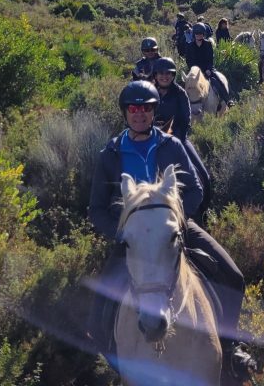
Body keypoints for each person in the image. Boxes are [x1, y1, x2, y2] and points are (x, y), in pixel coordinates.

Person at [87, 80, 255, 379]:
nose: (140, 114)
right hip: (133, 237)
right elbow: (96, 209)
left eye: (147, 108)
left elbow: (195, 190)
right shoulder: (110, 154)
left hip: (174, 226)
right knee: (97, 310)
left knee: (232, 276)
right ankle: (116, 358)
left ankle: (229, 348)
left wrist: (177, 220)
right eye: (134, 108)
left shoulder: (171, 146)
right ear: (125, 113)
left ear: (154, 112)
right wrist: (123, 234)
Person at [150, 57, 212, 218]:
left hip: (178, 140)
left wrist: (174, 138)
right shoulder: (149, 91)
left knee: (204, 176)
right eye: (161, 73)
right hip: (150, 140)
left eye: (169, 74)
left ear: (173, 75)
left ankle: (204, 211)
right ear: (155, 75)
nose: (165, 76)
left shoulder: (180, 94)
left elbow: (185, 121)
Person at [185, 22, 233, 107]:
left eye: (200, 34)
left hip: (207, 69)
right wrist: (194, 71)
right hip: (194, 71)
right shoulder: (190, 46)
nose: (199, 35)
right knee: (185, 84)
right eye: (197, 34)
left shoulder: (208, 44)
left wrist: (208, 69)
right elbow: (189, 61)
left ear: (203, 34)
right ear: (194, 34)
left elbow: (210, 59)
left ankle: (227, 99)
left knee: (218, 80)